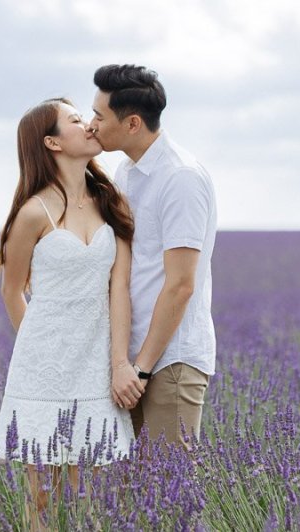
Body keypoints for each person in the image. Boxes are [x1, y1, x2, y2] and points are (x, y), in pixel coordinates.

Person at [0, 98, 140, 529]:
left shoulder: (112, 202)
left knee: (88, 500)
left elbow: (119, 290)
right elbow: (12, 290)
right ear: (52, 142)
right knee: (41, 498)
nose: (89, 124)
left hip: (95, 365)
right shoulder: (34, 212)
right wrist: (38, 348)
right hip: (43, 370)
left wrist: (118, 363)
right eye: (76, 120)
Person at [89, 64, 218, 450]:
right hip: (132, 362)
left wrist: (142, 367)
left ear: (131, 123)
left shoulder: (180, 177)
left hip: (168, 361)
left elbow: (180, 285)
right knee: (133, 499)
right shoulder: (126, 172)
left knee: (170, 494)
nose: (91, 124)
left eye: (99, 115)